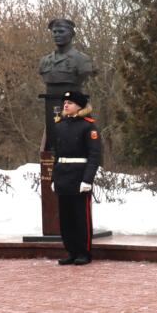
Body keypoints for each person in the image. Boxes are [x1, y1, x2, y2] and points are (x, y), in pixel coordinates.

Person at [50, 90, 102, 265]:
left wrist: (87, 180)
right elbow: (56, 155)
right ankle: (71, 251)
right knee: (66, 218)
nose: (66, 105)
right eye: (65, 102)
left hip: (79, 176)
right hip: (63, 175)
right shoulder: (60, 125)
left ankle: (84, 252)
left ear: (79, 106)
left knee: (81, 217)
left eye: (70, 102)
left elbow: (94, 156)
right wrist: (53, 179)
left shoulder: (88, 126)